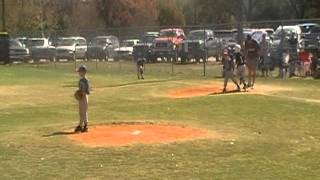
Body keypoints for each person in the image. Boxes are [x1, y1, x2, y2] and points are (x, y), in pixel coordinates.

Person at [74, 65, 90, 133]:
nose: (79, 73)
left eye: (80, 72)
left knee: (83, 112)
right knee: (81, 112)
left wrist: (82, 93)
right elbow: (80, 89)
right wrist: (79, 93)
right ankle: (84, 126)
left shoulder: (86, 80)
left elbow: (87, 91)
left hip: (84, 97)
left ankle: (82, 125)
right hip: (81, 98)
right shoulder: (80, 80)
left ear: (84, 72)